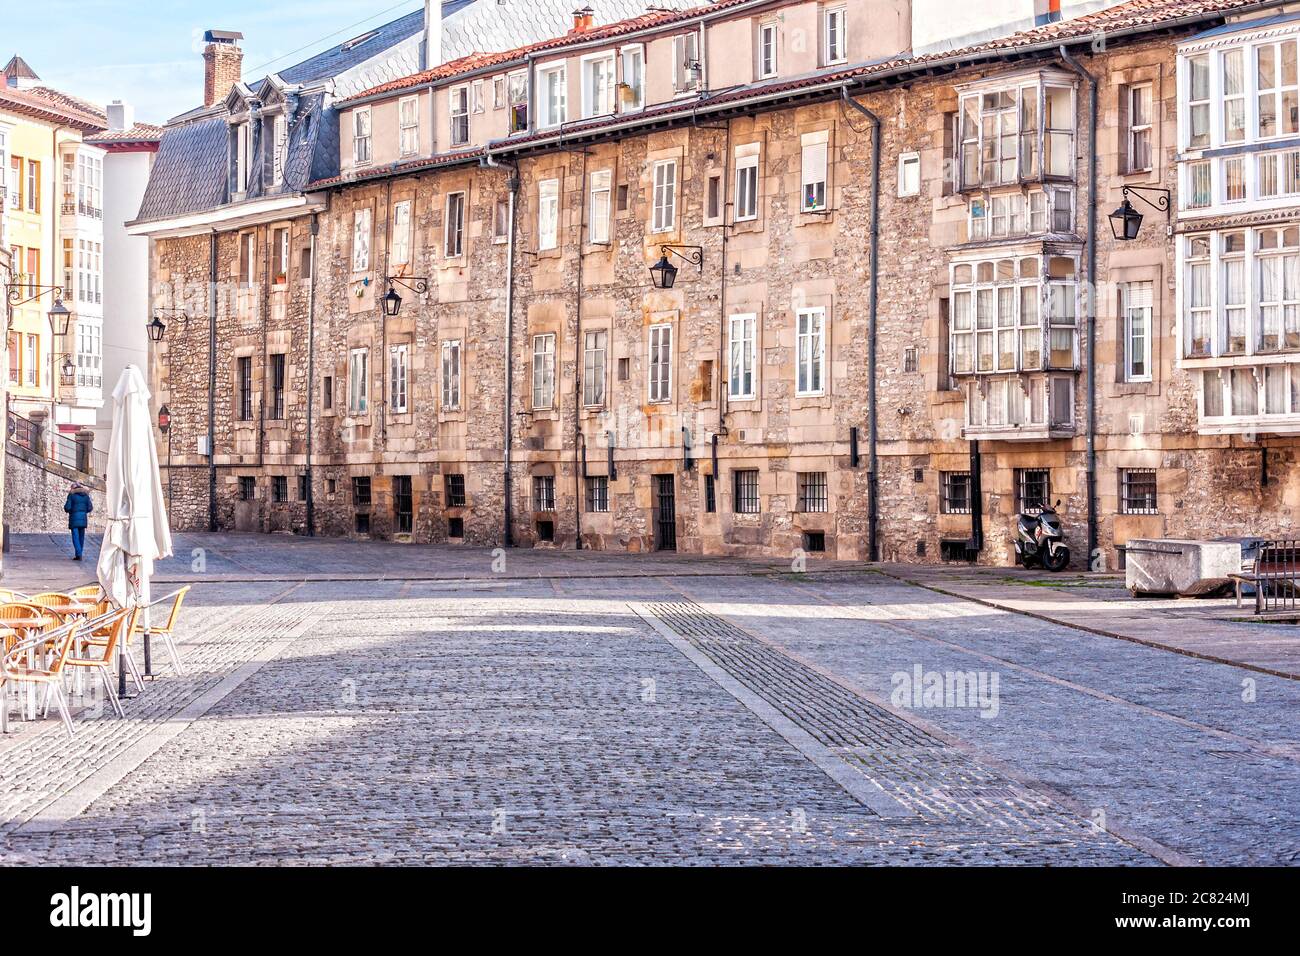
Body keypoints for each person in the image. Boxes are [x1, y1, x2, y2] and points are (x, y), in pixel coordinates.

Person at [64, 483, 94, 561]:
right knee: (81, 537)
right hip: (83, 518)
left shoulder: (71, 495)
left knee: (75, 537)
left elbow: (67, 507)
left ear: (73, 488)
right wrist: (83, 511)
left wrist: (70, 511)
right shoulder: (86, 495)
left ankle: (78, 554)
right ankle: (79, 553)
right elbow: (90, 508)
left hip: (74, 518)